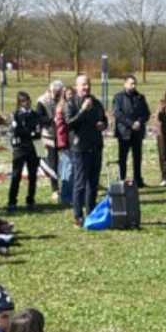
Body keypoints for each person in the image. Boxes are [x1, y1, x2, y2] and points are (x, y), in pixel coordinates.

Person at [65, 74, 107, 226]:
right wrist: (82, 110)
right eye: (83, 85)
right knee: (80, 183)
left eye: (88, 84)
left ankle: (91, 212)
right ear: (76, 87)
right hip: (80, 148)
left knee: (93, 183)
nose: (86, 87)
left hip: (95, 146)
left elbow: (104, 120)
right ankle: (78, 216)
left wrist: (103, 124)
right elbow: (69, 124)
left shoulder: (96, 102)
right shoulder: (71, 103)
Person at [6, 91, 43, 208]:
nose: (26, 103)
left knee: (33, 175)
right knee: (16, 175)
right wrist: (31, 132)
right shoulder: (15, 115)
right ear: (19, 103)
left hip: (35, 147)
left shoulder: (36, 114)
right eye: (23, 101)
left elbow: (39, 132)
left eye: (28, 100)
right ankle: (12, 201)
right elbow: (17, 131)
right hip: (20, 148)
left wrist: (41, 151)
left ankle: (30, 200)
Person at [112, 75, 150, 188]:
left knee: (137, 157)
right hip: (124, 132)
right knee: (123, 158)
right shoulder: (118, 97)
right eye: (130, 83)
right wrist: (130, 124)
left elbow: (146, 113)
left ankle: (138, 180)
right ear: (125, 84)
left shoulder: (140, 97)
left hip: (137, 132)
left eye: (134, 83)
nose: (133, 86)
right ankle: (122, 180)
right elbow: (118, 114)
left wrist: (139, 122)